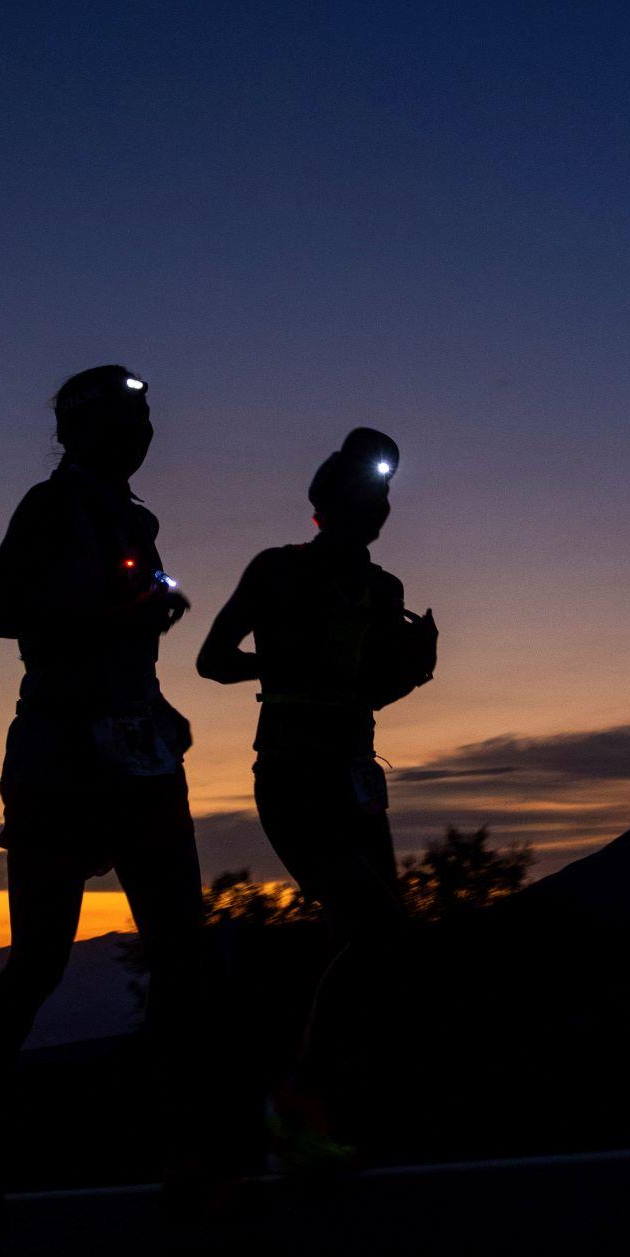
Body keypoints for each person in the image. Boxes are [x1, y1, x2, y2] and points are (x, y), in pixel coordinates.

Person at [0, 364, 219, 1230]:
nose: (143, 428)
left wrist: (154, 686)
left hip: (135, 749)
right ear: (80, 428)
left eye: (145, 415)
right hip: (59, 754)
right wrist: (118, 621)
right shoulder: (48, 505)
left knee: (183, 949)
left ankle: (189, 1152)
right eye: (126, 416)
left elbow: (126, 635)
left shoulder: (137, 518)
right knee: (42, 958)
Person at [196, 426, 437, 1170]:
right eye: (368, 494)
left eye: (385, 496)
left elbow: (368, 691)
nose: (380, 506)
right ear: (326, 504)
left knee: (358, 944)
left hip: (357, 773)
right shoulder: (275, 571)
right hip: (294, 772)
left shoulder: (384, 590)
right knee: (379, 927)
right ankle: (291, 1103)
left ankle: (328, 1121)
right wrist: (277, 662)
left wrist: (411, 671)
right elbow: (210, 660)